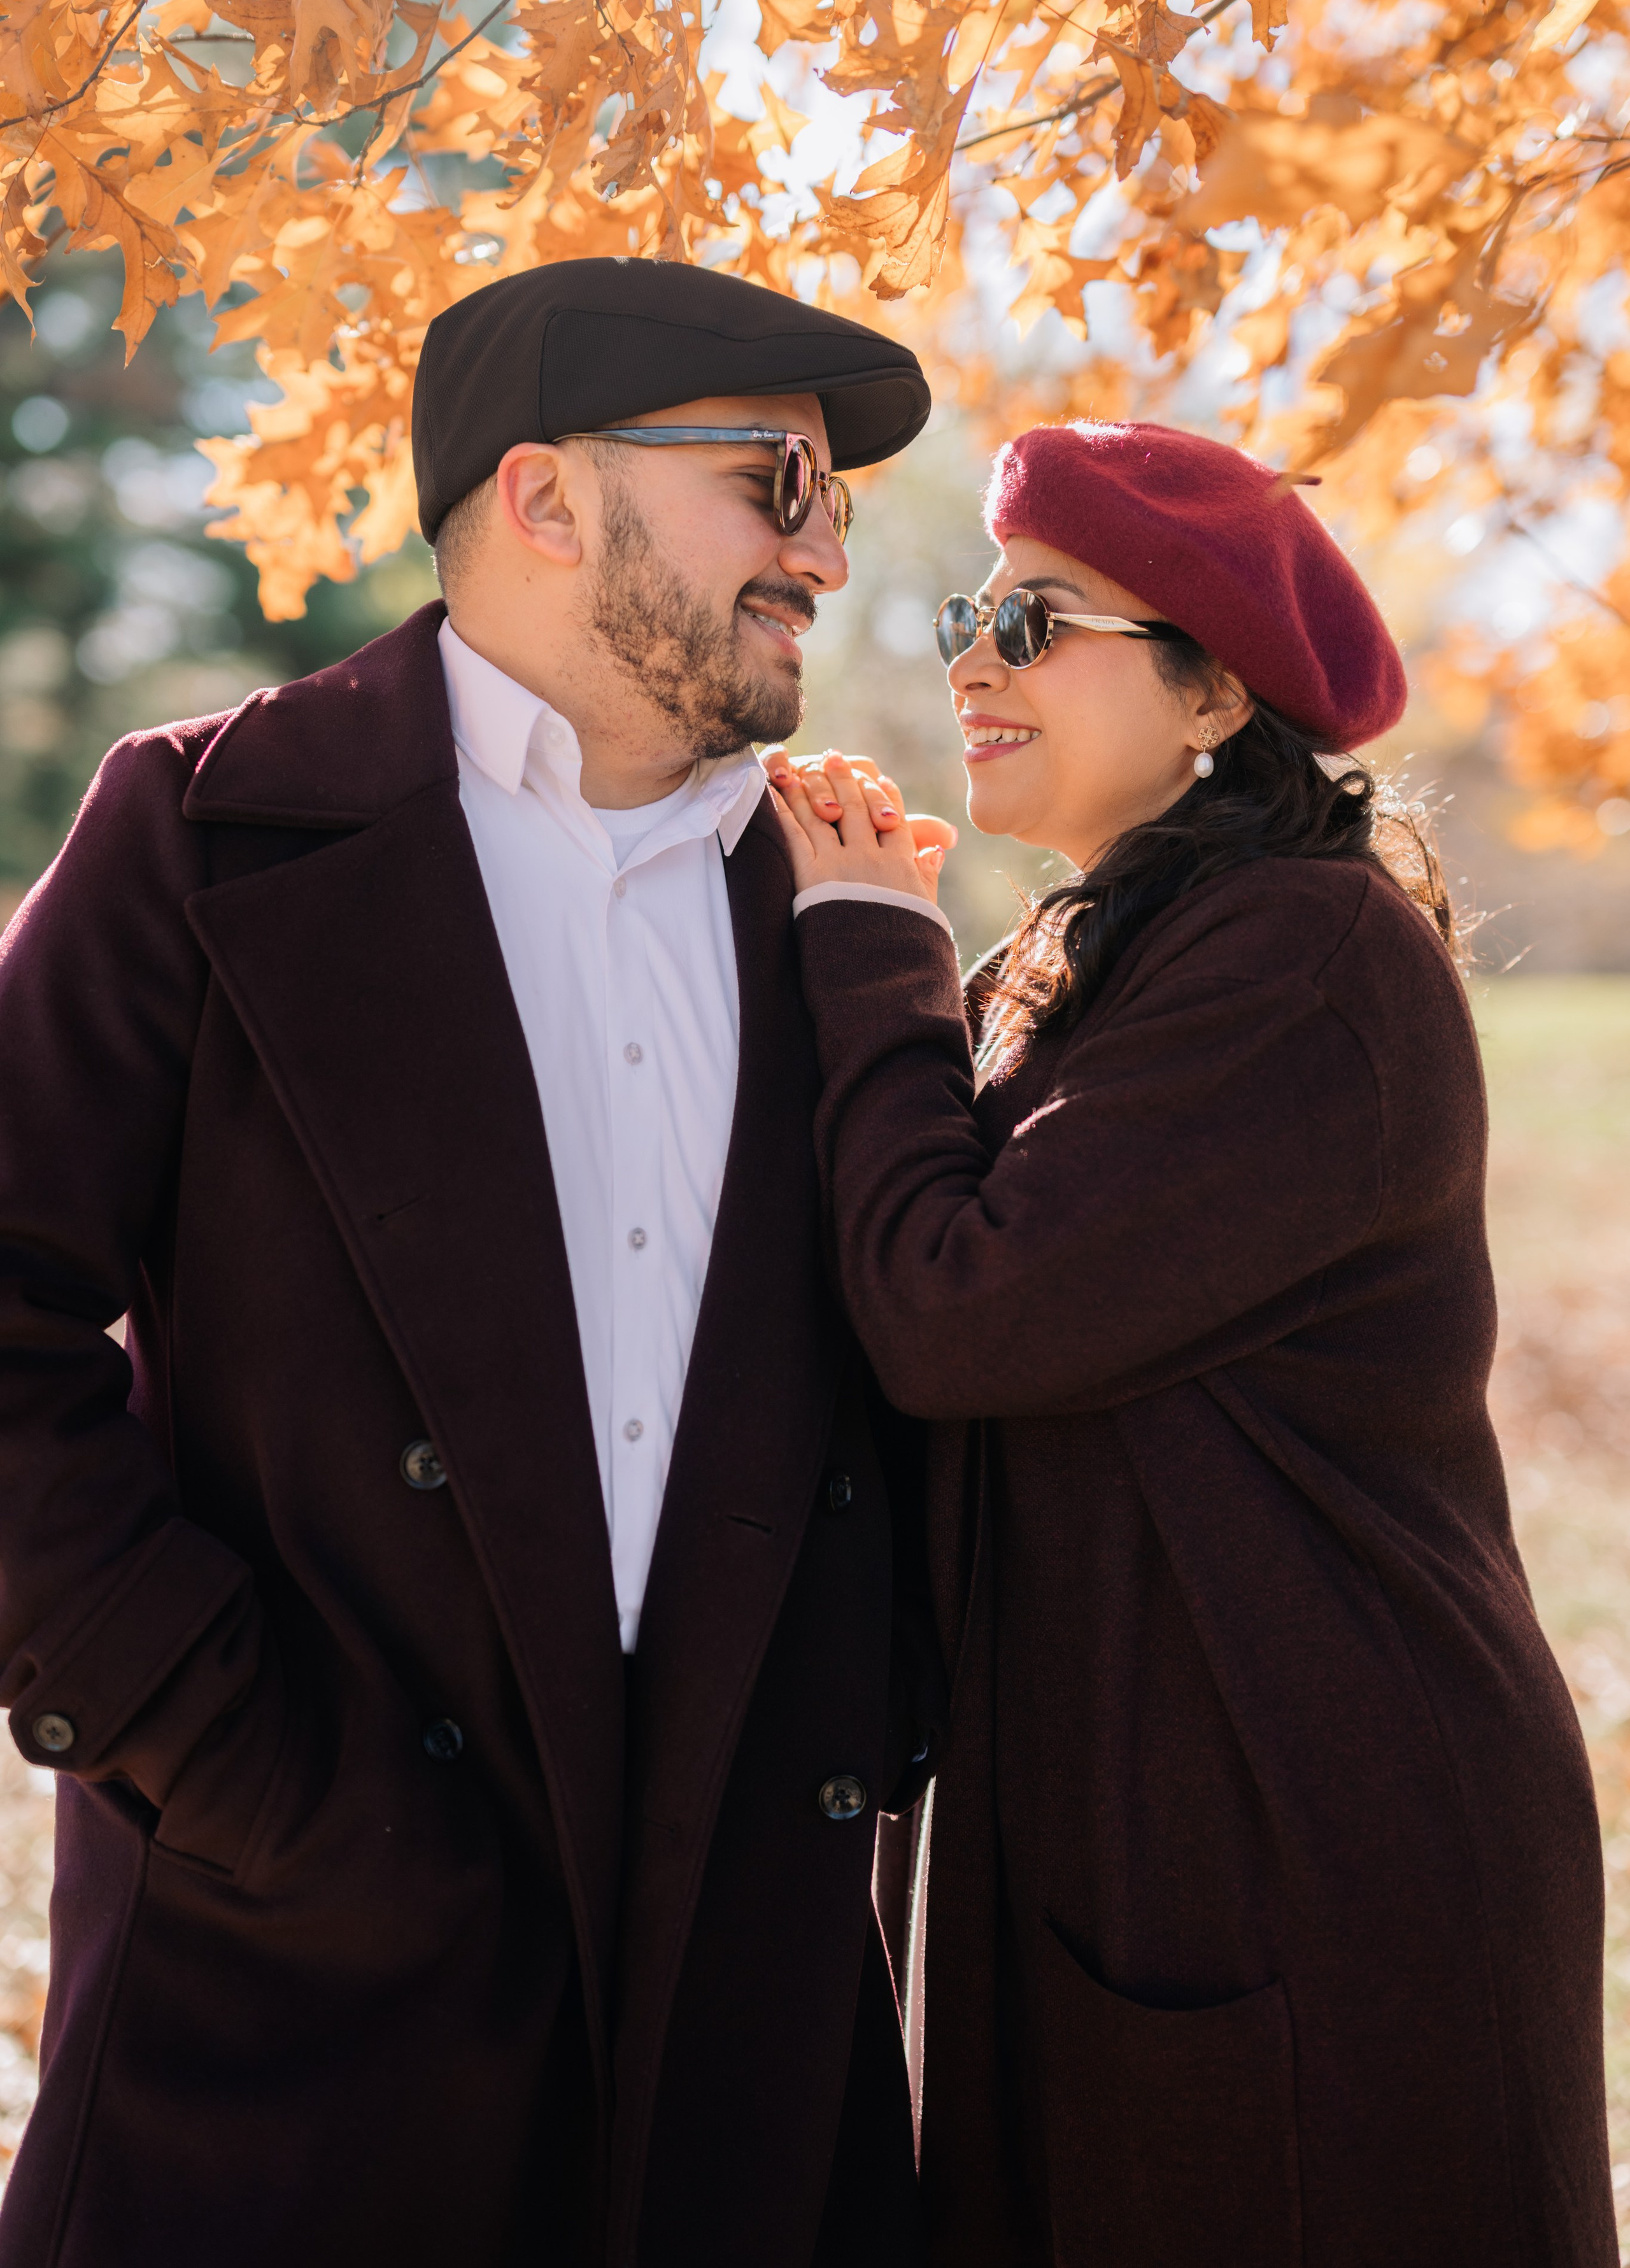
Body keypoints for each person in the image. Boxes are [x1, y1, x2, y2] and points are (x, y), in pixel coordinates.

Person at [0, 257, 949, 2268]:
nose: (829, 547)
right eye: (778, 478)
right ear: (542, 497)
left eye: (838, 497)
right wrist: (219, 1746)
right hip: (285, 2014)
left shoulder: (839, 897)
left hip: (743, 2047)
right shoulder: (202, 828)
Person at [766, 420, 1617, 2267]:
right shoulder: (1101, 956)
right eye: (972, 610)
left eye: (1037, 618)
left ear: (1214, 690)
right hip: (1140, 1811)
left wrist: (865, 952)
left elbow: (958, 1308)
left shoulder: (1306, 958)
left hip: (1301, 1833)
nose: (972, 653)